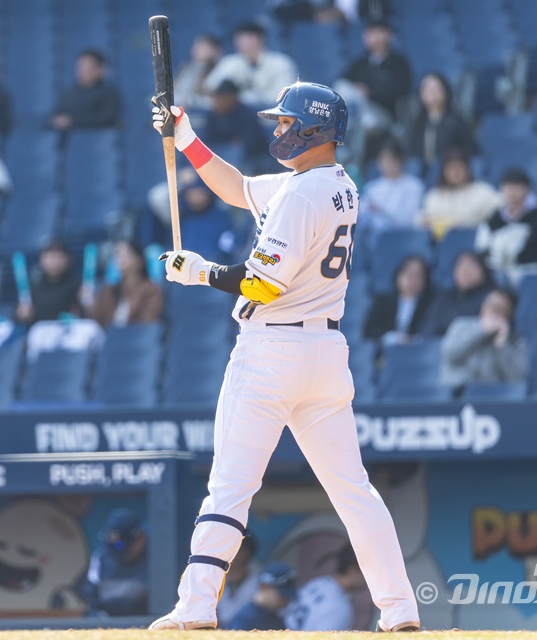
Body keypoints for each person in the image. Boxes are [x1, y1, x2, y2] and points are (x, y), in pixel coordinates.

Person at [148, 82, 419, 631]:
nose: (277, 130)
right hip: (324, 354)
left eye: (285, 122)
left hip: (272, 350)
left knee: (230, 485)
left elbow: (262, 287)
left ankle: (196, 606)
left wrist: (197, 271)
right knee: (354, 492)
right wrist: (187, 137)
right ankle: (400, 610)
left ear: (313, 129)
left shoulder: (301, 195)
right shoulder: (339, 186)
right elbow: (239, 188)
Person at [477, 167, 537, 273]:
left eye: (516, 188)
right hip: (505, 269)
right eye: (508, 188)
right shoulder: (495, 218)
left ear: (527, 189)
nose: (512, 194)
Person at [440, 288, 528, 389]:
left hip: (490, 396)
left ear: (509, 315)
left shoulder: (515, 341)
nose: (493, 312)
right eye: (490, 305)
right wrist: (481, 331)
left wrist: (502, 346)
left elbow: (518, 379)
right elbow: (450, 353)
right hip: (456, 393)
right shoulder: (461, 325)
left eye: (500, 309)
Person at [204, 22, 298, 107]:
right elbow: (210, 88)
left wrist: (244, 97)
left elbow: (281, 96)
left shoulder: (281, 63)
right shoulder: (230, 62)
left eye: (247, 37)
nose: (240, 42)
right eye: (237, 38)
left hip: (270, 116)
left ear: (260, 39)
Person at [417, 149, 500, 240]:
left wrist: (456, 222)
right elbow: (421, 220)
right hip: (440, 244)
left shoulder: (482, 191)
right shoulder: (434, 195)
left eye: (459, 168)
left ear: (467, 169)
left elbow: (499, 207)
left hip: (472, 243)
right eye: (451, 169)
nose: (455, 173)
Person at [341, 18, 412, 122]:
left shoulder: (399, 63)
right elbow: (343, 82)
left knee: (367, 119)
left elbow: (401, 90)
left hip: (385, 114)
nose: (373, 37)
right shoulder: (360, 63)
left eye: (378, 32)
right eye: (369, 33)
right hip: (359, 110)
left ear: (389, 35)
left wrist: (370, 92)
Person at [284, 543, 366, 631]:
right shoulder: (340, 608)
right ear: (352, 571)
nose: (367, 578)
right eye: (366, 572)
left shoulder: (317, 582)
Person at [83, 509, 149, 617]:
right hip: (107, 624)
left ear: (141, 538)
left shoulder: (158, 561)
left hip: (146, 625)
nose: (118, 554)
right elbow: (92, 602)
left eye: (122, 547)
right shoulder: (101, 558)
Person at [408, 73, 478, 171]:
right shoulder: (417, 123)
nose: (431, 91)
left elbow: (472, 151)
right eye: (426, 88)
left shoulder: (457, 121)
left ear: (445, 91)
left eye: (436, 88)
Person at [420, 251, 494, 337]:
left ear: (482, 270)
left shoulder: (492, 297)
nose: (465, 270)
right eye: (460, 266)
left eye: (471, 265)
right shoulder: (444, 298)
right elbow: (428, 328)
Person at [91, 241, 164, 327]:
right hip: (110, 338)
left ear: (139, 260)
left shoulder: (151, 291)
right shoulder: (110, 291)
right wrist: (91, 305)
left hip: (136, 337)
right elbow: (99, 323)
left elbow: (147, 322)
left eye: (124, 256)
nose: (119, 260)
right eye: (117, 256)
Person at [363, 255, 433, 343]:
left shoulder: (431, 304)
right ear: (398, 275)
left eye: (417, 275)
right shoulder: (383, 302)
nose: (412, 279)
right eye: (408, 273)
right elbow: (369, 331)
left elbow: (432, 332)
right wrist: (390, 337)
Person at [361, 139, 425, 232]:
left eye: (391, 160)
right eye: (383, 160)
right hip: (373, 239)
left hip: (401, 237)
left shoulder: (414, 186)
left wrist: (381, 210)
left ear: (400, 160)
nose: (386, 164)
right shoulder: (372, 187)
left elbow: (409, 221)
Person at [202, 80, 272, 164]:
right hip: (226, 158)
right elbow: (208, 141)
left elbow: (250, 144)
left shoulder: (246, 114)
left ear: (232, 97)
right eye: (217, 98)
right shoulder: (213, 115)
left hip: (255, 161)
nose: (218, 102)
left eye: (222, 97)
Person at [51, 50, 121, 130]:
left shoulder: (109, 93)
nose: (81, 72)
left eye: (87, 68)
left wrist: (72, 121)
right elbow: (56, 117)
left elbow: (106, 119)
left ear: (99, 70)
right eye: (79, 68)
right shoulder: (68, 94)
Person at [16, 240, 82, 324]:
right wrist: (22, 315)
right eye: (49, 256)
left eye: (58, 256)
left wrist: (89, 304)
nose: (54, 261)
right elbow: (19, 319)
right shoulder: (31, 289)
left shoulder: (78, 287)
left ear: (68, 259)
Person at [227, 562, 297, 631]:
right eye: (282, 594)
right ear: (264, 587)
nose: (286, 599)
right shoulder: (244, 621)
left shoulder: (278, 620)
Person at [216, 537, 262, 628]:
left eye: (238, 550)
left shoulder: (260, 582)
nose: (233, 555)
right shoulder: (214, 578)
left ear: (248, 552)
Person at [174, 34, 224, 111]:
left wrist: (189, 100)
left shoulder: (219, 70)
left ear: (214, 50)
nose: (198, 49)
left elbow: (214, 100)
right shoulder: (185, 68)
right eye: (197, 45)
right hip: (178, 109)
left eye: (204, 47)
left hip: (201, 113)